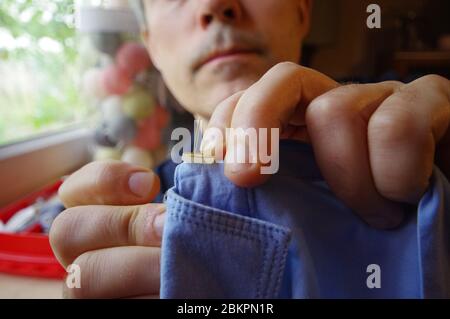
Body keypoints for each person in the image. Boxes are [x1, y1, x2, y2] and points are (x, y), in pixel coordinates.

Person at [49, 0, 450, 298]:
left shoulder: (429, 144)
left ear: (302, 11)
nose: (215, 6)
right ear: (150, 45)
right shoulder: (139, 210)